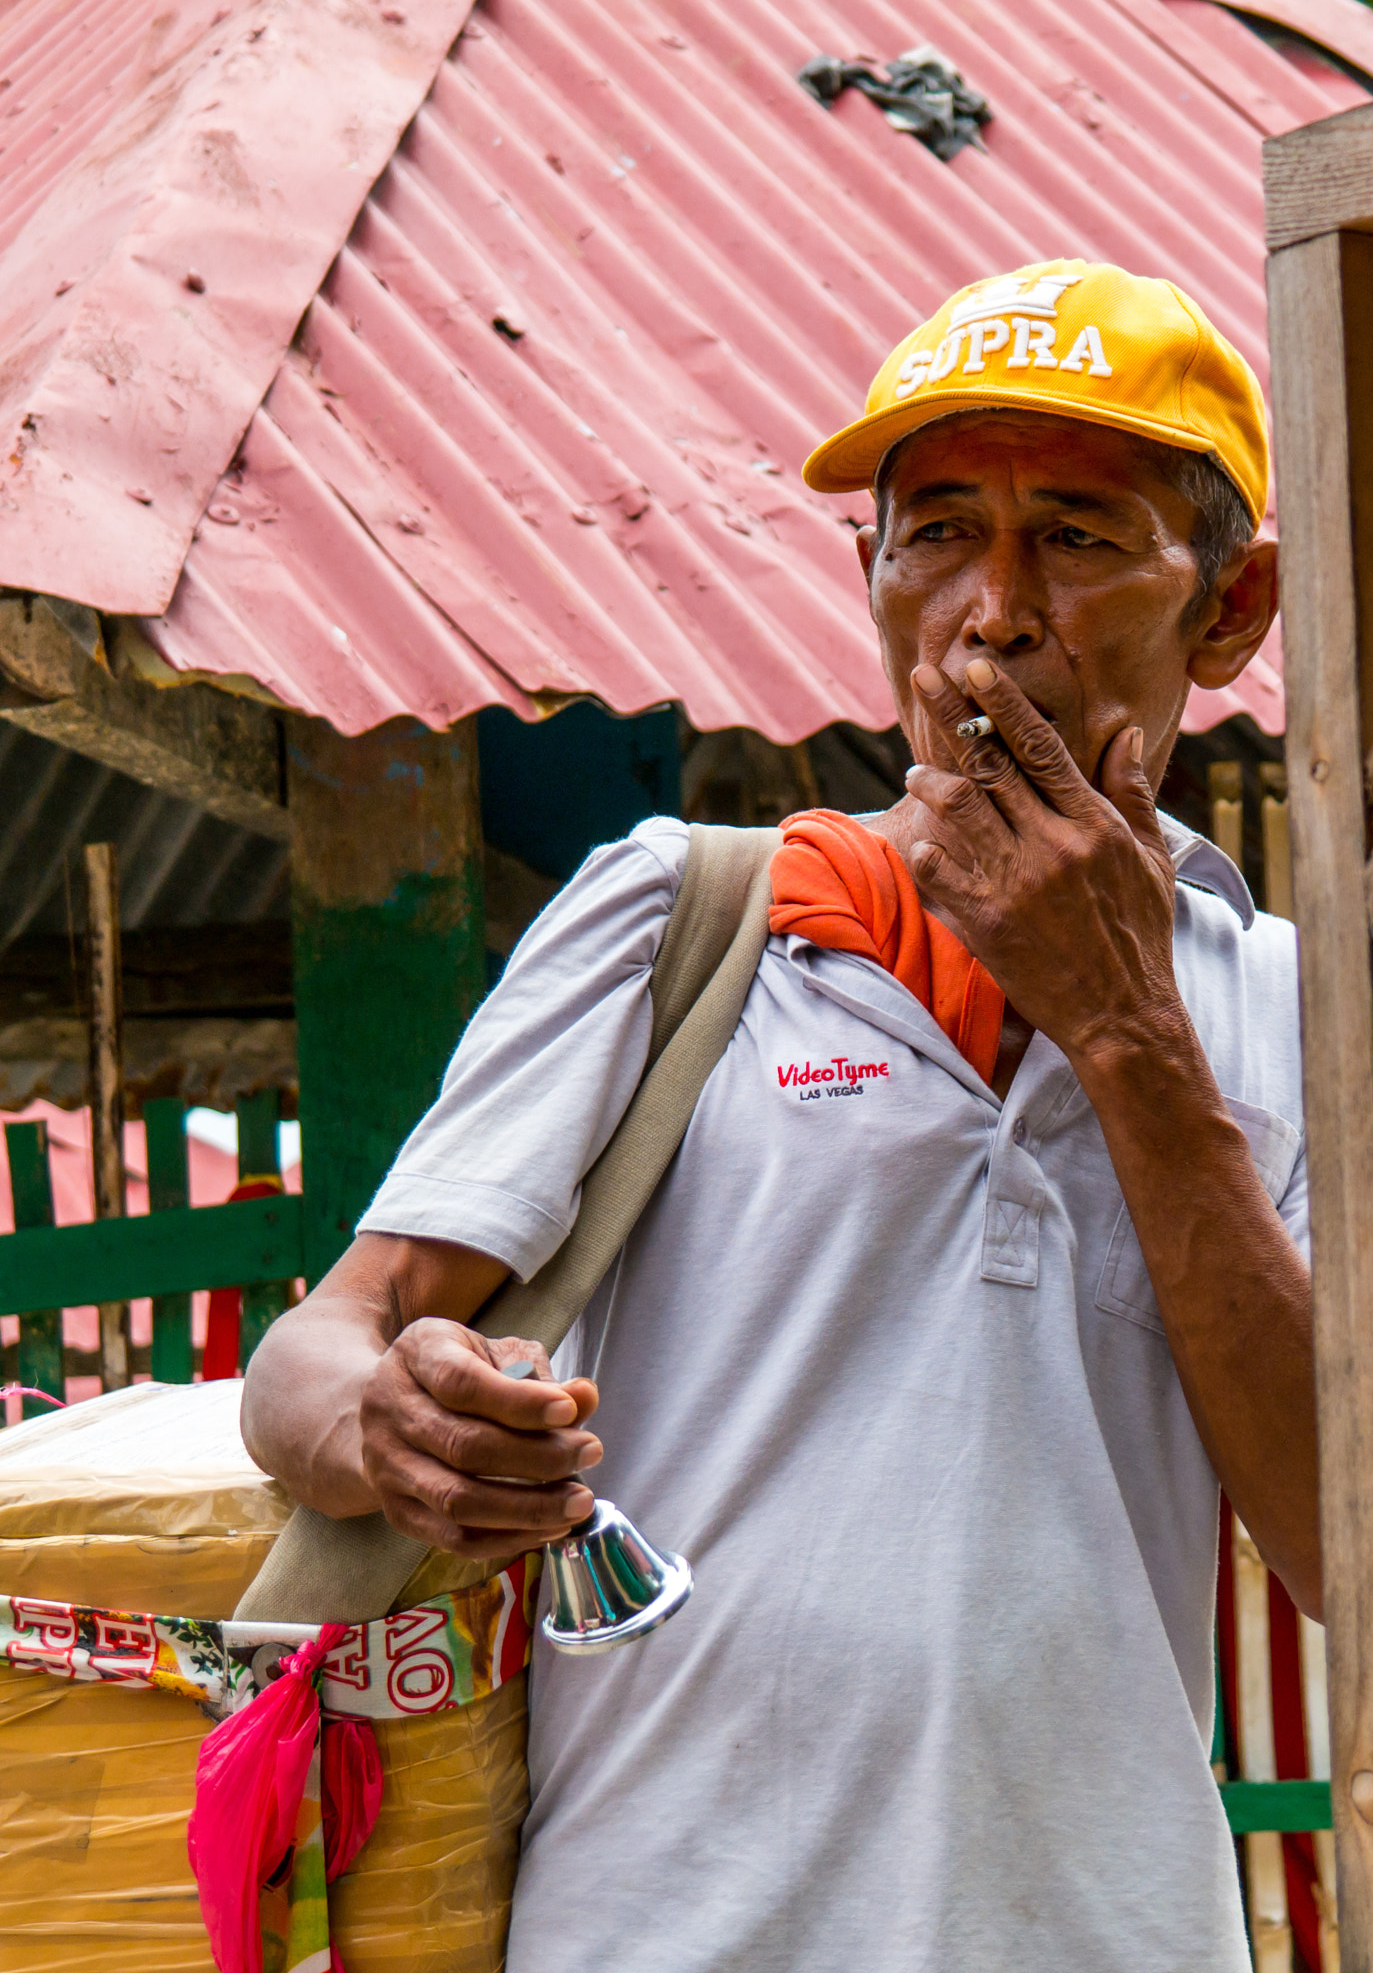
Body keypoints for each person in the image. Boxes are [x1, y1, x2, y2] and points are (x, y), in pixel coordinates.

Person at [243, 258, 1311, 1972]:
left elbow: (1355, 1554)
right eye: (939, 531)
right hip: (661, 1926)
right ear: (872, 574)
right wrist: (394, 1425)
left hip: (1108, 1930)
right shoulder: (684, 915)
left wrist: (1124, 1029)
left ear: (1234, 609)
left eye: (1085, 538)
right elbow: (318, 1352)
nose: (997, 610)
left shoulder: (1287, 1002)